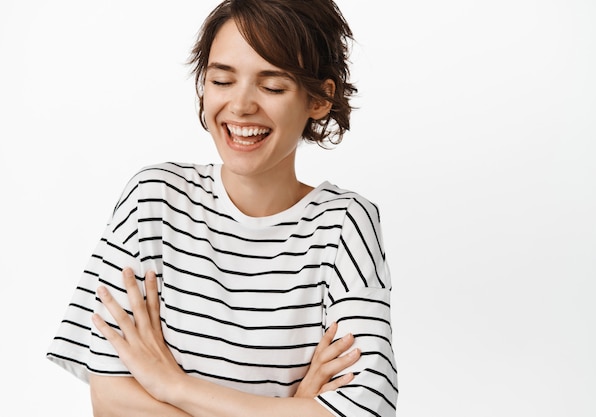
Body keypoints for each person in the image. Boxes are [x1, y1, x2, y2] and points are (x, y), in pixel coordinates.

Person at [46, 0, 399, 416]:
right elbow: (109, 400)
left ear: (319, 99)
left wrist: (171, 385)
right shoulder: (153, 200)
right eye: (221, 81)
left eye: (272, 86)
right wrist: (296, 408)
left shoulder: (343, 225)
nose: (241, 106)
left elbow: (365, 411)